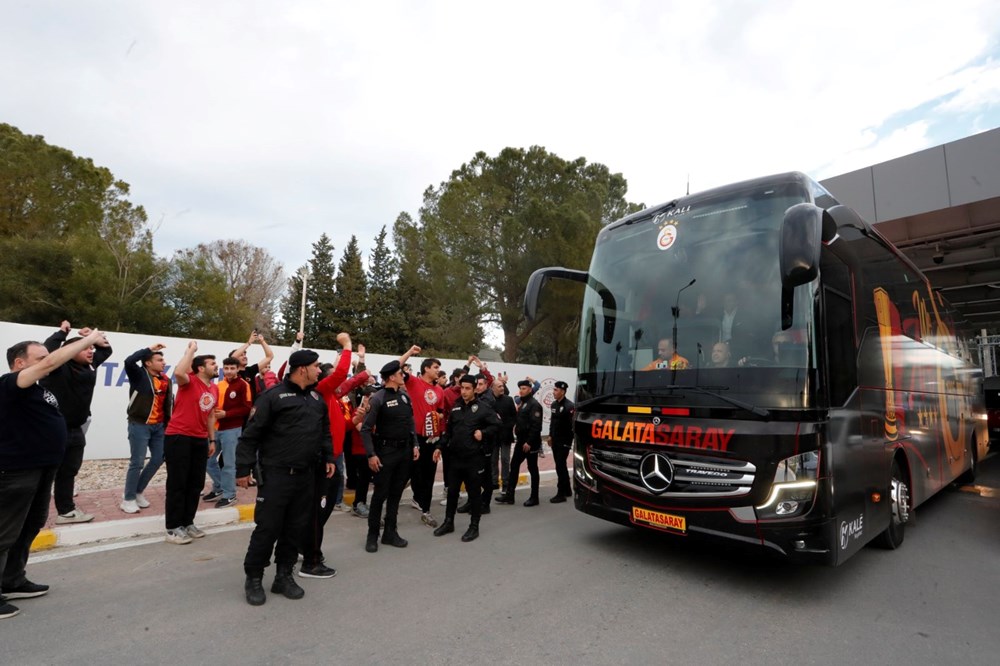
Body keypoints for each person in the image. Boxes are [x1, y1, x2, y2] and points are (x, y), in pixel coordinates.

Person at [1, 329, 106, 620]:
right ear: (21, 363)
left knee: (30, 526)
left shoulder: (40, 389)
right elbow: (50, 364)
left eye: (47, 358)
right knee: (4, 531)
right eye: (41, 358)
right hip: (16, 470)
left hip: (43, 468)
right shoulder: (11, 383)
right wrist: (87, 340)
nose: (49, 362)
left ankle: (12, 579)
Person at [236, 349, 334, 606]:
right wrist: (243, 469)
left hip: (306, 476)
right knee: (268, 528)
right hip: (276, 475)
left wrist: (329, 458)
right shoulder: (273, 396)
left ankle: (283, 576)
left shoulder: (316, 398)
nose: (319, 371)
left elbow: (324, 431)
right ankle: (254, 578)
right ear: (302, 369)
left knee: (295, 529)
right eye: (315, 366)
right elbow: (250, 435)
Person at [301, 334, 369, 579]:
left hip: (333, 459)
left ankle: (307, 548)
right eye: (317, 367)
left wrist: (356, 420)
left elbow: (342, 425)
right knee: (318, 511)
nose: (320, 370)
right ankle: (311, 558)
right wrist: (347, 347)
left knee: (324, 509)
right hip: (324, 461)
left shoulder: (331, 398)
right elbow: (342, 377)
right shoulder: (319, 390)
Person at [40, 321, 113, 523]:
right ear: (70, 351)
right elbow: (49, 350)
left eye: (91, 348)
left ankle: (66, 511)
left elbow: (106, 351)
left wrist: (94, 338)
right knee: (45, 472)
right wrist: (63, 332)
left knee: (69, 471)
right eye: (85, 348)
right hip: (53, 430)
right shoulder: (57, 368)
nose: (91, 352)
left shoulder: (89, 365)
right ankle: (33, 512)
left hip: (75, 428)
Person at [359, 360, 420, 553]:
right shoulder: (378, 398)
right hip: (385, 453)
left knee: (396, 494)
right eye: (400, 373)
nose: (404, 375)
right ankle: (372, 535)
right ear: (392, 377)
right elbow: (366, 429)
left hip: (404, 452)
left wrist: (415, 444)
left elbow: (410, 423)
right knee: (380, 495)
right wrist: (371, 455)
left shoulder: (404, 397)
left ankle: (390, 533)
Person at [432, 375, 500, 542]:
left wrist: (483, 433)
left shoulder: (484, 408)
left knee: (474, 494)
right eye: (462, 388)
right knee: (453, 492)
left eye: (468, 388)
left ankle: (474, 526)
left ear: (475, 388)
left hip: (474, 459)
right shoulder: (456, 408)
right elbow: (448, 433)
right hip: (456, 459)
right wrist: (439, 447)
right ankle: (449, 522)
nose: (464, 391)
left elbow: (497, 425)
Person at [162, 343, 217, 545]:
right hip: (178, 437)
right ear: (201, 368)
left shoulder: (213, 389)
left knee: (195, 484)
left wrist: (212, 440)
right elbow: (178, 371)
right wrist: (191, 351)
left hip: (199, 439)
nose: (216, 366)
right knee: (178, 483)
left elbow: (210, 415)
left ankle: (187, 523)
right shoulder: (189, 381)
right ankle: (173, 528)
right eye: (212, 363)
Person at [120, 343, 173, 514]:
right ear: (148, 363)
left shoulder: (165, 379)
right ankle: (128, 498)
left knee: (158, 458)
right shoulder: (139, 375)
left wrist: (167, 423)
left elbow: (167, 404)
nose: (163, 362)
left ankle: (137, 491)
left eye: (163, 359)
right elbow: (129, 361)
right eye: (159, 359)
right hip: (140, 425)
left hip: (159, 427)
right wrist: (149, 349)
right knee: (137, 462)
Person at [399, 345, 444, 528]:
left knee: (429, 476)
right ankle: (388, 512)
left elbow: (440, 411)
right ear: (426, 368)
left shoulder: (440, 390)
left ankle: (426, 510)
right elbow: (397, 366)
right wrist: (409, 352)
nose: (438, 371)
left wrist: (436, 416)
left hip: (432, 439)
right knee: (407, 473)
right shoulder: (413, 382)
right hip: (414, 438)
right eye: (435, 367)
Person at [204, 357, 252, 508]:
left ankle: (229, 495)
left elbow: (247, 408)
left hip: (232, 429)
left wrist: (227, 414)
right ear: (222, 369)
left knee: (229, 465)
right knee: (208, 461)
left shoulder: (243, 385)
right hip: (215, 428)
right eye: (226, 368)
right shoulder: (219, 384)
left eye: (232, 368)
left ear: (238, 369)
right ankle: (219, 488)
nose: (229, 371)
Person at [495, 380, 544, 506]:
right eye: (520, 388)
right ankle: (509, 496)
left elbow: (536, 426)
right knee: (514, 465)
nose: (521, 391)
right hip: (521, 441)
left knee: (532, 468)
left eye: (524, 388)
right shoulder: (524, 403)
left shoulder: (534, 404)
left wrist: (529, 442)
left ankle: (534, 497)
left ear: (529, 389)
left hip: (530, 443)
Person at [547, 380, 575, 503]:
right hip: (555, 440)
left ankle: (561, 493)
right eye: (554, 389)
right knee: (561, 465)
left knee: (560, 465)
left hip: (564, 441)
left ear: (562, 391)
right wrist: (549, 436)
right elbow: (553, 422)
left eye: (556, 390)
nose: (553, 392)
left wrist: (569, 442)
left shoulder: (570, 406)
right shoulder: (554, 405)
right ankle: (568, 489)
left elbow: (572, 427)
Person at [230, 330, 274, 405]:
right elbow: (232, 358)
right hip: (237, 409)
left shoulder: (250, 370)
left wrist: (262, 342)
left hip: (251, 409)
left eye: (245, 354)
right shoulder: (232, 373)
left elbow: (270, 357)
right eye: (241, 355)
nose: (244, 357)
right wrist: (249, 343)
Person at [491, 379, 516, 495]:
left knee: (505, 459)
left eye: (503, 386)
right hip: (493, 436)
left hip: (506, 435)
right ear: (493, 388)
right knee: (493, 459)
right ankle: (494, 482)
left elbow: (514, 417)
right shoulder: (489, 401)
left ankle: (506, 483)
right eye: (499, 386)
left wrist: (506, 426)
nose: (502, 388)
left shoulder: (509, 400)